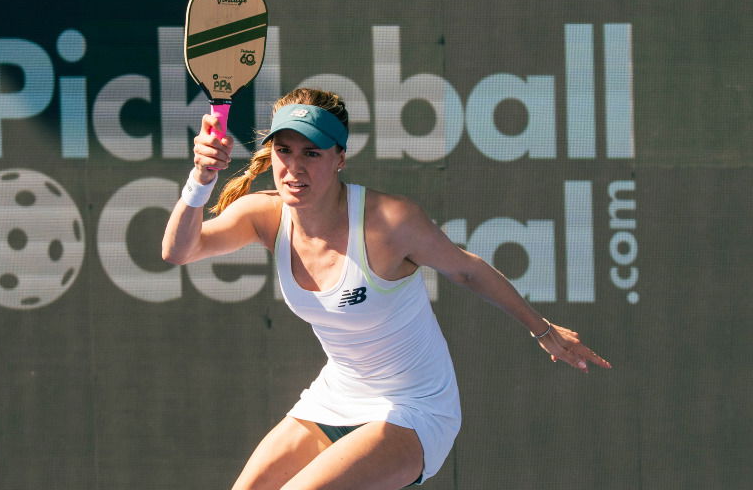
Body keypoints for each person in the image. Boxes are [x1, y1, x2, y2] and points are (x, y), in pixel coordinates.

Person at [161, 88, 611, 489]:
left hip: (416, 410)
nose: (294, 168)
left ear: (340, 158)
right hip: (337, 396)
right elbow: (180, 251)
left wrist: (543, 329)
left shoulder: (389, 221)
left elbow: (467, 270)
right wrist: (200, 181)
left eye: (312, 154)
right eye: (284, 151)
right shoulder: (263, 214)